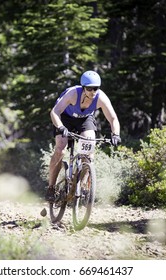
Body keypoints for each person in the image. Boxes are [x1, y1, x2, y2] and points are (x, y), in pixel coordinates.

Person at [45, 70, 121, 202]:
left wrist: (116, 134)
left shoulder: (100, 97)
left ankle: (82, 186)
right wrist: (61, 127)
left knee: (89, 151)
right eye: (89, 89)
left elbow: (113, 118)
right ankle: (51, 187)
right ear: (83, 88)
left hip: (85, 119)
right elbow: (55, 112)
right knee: (60, 149)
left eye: (95, 88)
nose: (93, 92)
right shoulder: (73, 94)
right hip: (65, 118)